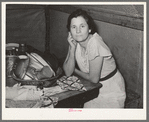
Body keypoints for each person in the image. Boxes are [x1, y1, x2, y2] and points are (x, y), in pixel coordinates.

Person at [63, 9, 126, 108]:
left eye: (82, 26)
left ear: (89, 29)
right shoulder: (76, 42)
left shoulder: (95, 43)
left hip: (111, 90)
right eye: (74, 27)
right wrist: (72, 48)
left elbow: (93, 79)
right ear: (70, 31)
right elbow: (67, 72)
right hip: (93, 89)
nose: (78, 31)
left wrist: (75, 70)